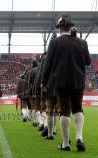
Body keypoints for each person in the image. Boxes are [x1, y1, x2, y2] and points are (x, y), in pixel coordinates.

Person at [41, 14, 91, 151]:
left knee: (64, 110)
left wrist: (44, 81)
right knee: (78, 108)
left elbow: (48, 64)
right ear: (70, 27)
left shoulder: (54, 42)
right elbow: (88, 61)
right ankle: (79, 138)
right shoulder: (82, 42)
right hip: (78, 81)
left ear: (59, 28)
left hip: (60, 81)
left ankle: (65, 144)